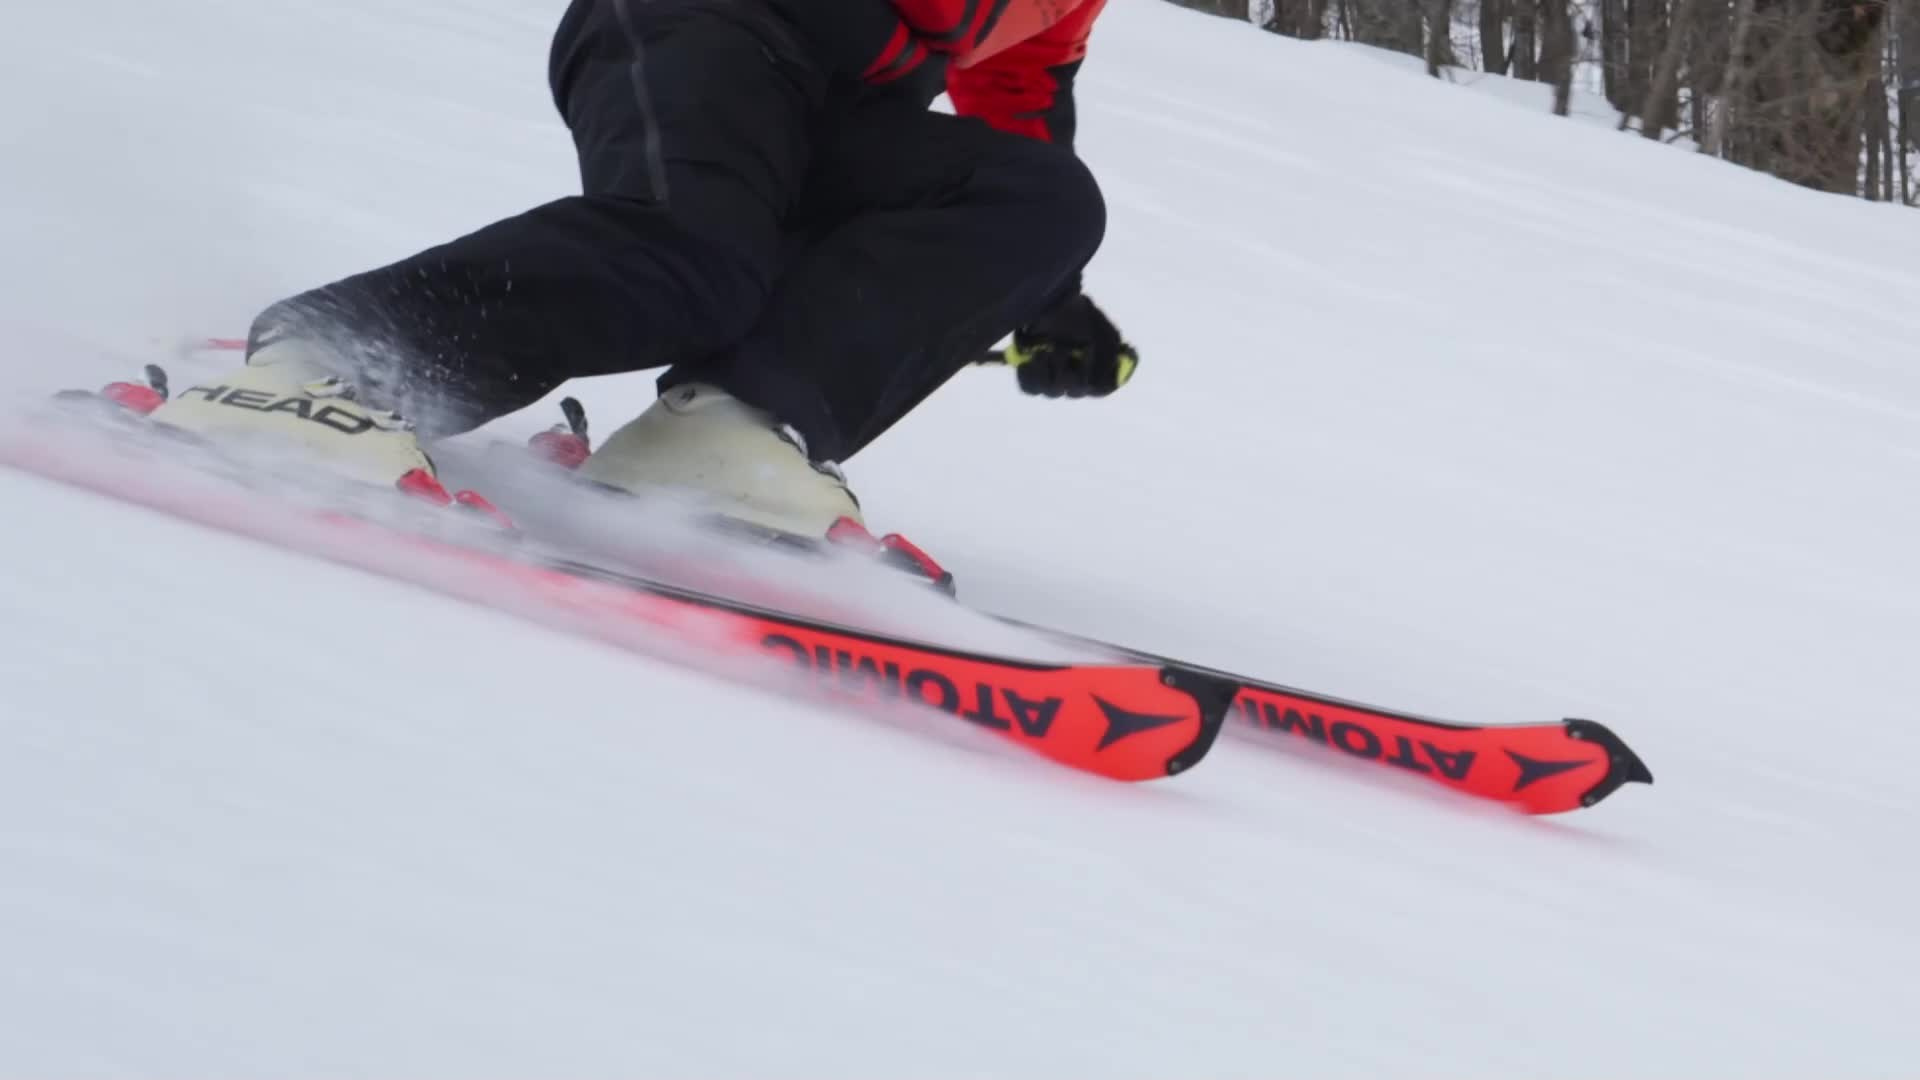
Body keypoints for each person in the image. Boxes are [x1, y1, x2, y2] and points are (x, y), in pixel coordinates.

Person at [144, 0, 1141, 558]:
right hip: (702, 23)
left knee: (1043, 199)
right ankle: (329, 369)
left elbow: (1021, 89)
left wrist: (1049, 295)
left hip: (832, 101)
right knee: (693, 254)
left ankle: (728, 432)